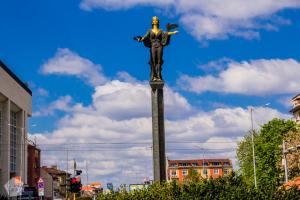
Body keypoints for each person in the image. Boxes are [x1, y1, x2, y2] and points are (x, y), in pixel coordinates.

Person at [136, 16, 178, 81]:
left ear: (158, 22)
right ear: (152, 22)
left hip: (159, 46)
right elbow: (145, 37)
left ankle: (159, 76)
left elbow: (166, 34)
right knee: (153, 61)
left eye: (156, 20)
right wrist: (140, 39)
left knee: (159, 61)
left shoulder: (160, 30)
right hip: (153, 46)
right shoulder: (149, 31)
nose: (155, 21)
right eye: (154, 20)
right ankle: (154, 76)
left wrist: (173, 33)